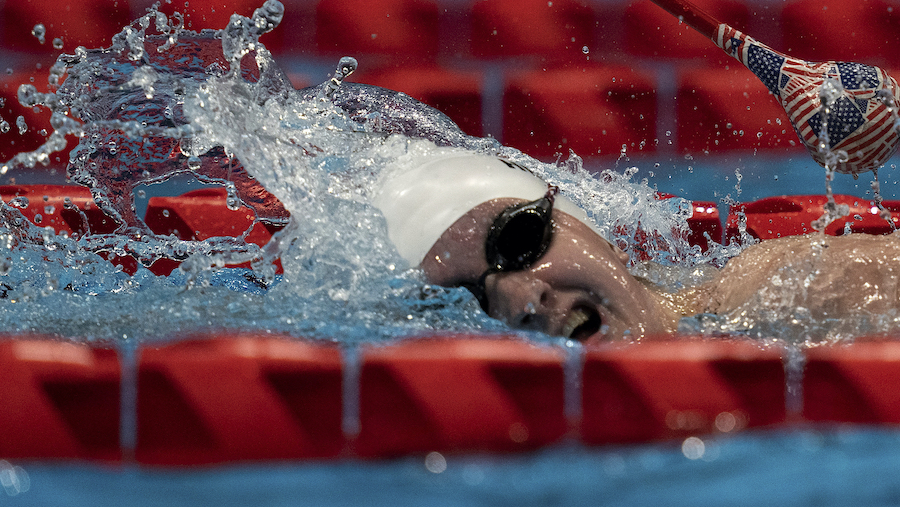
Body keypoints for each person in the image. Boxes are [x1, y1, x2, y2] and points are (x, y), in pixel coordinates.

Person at [372, 146, 900, 343]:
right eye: (466, 298)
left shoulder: (790, 292)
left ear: (605, 239)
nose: (522, 299)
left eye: (521, 239)